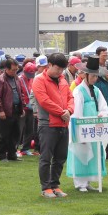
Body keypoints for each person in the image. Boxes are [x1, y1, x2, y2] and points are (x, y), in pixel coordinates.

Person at [32, 53, 74, 198]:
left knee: (61, 157)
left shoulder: (63, 80)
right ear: (49, 65)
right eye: (57, 68)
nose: (60, 72)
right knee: (46, 157)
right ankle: (46, 187)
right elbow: (44, 101)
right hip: (48, 124)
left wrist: (69, 110)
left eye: (62, 69)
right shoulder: (39, 80)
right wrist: (62, 112)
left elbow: (70, 97)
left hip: (63, 123)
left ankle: (55, 185)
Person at [66, 57, 108, 192]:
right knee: (81, 153)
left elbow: (103, 107)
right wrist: (78, 129)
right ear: (85, 75)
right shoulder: (78, 91)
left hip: (94, 128)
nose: (94, 79)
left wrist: (101, 116)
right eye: (92, 76)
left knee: (94, 154)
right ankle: (80, 183)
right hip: (82, 127)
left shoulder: (96, 90)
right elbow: (76, 112)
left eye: (96, 76)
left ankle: (88, 181)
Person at [0, 58, 25, 162]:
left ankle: (12, 154)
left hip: (16, 109)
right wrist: (0, 110)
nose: (15, 71)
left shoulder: (16, 78)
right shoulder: (0, 80)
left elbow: (21, 93)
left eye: (16, 69)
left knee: (15, 133)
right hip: (5, 111)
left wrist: (22, 107)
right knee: (5, 134)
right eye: (13, 70)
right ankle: (2, 155)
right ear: (6, 69)